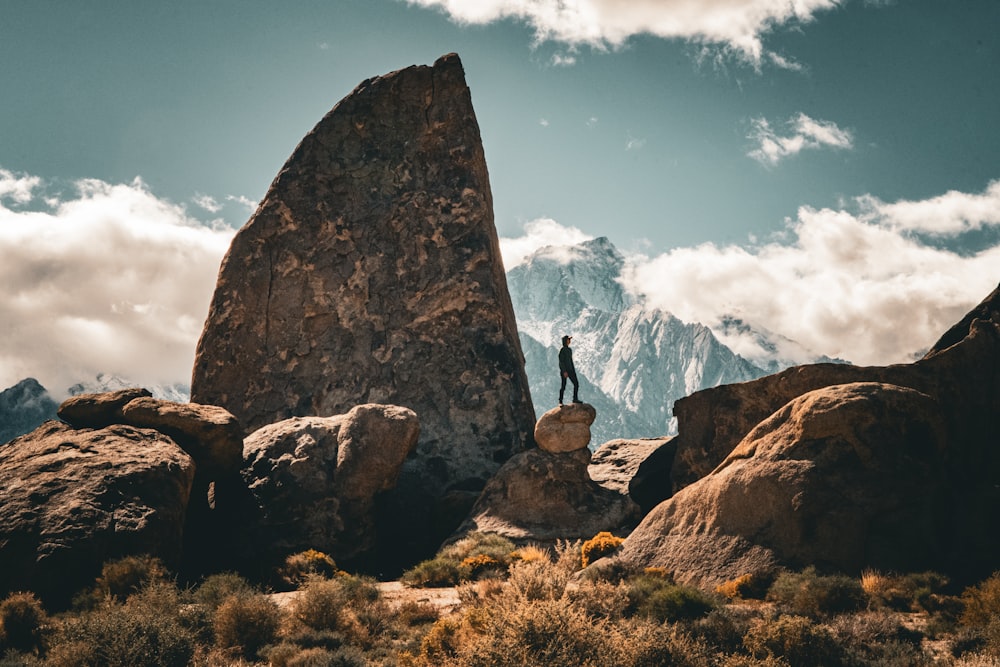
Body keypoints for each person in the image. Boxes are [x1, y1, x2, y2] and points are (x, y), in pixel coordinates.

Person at [558, 334, 581, 405]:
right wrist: (564, 371)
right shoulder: (562, 350)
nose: (569, 341)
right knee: (563, 386)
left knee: (576, 384)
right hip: (564, 371)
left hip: (570, 370)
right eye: (568, 340)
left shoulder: (569, 350)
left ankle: (575, 399)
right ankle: (560, 401)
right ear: (565, 341)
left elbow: (571, 361)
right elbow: (561, 362)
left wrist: (573, 371)